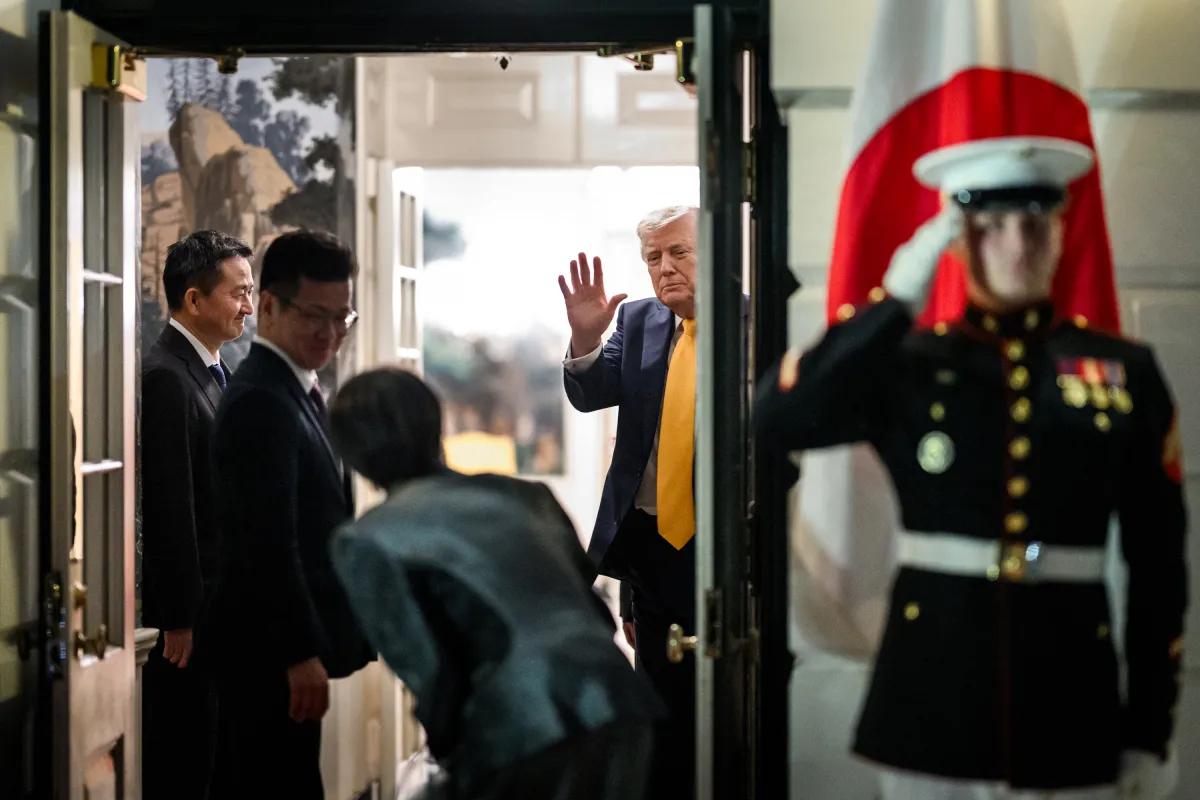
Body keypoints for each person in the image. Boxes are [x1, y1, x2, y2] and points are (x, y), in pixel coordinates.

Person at [756, 136, 1188, 799]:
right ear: (957, 242)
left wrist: (1150, 725)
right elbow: (779, 420)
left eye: (1035, 223)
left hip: (1070, 700)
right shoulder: (909, 363)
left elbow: (1159, 564)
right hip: (930, 695)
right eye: (991, 226)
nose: (1018, 245)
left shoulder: (1123, 371)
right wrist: (895, 301)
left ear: (1060, 233)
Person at [326, 367, 664, 800]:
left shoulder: (368, 539)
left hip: (519, 729)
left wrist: (451, 758)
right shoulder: (525, 495)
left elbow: (430, 670)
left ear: (351, 453)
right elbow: (593, 610)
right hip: (622, 706)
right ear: (434, 425)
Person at [202, 229, 374, 799]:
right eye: (314, 316)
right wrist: (298, 652)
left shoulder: (296, 388)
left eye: (342, 318)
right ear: (270, 307)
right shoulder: (261, 399)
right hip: (267, 657)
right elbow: (265, 542)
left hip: (280, 651)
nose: (330, 333)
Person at [556, 205, 700, 797]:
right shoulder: (640, 319)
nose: (664, 268)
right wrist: (586, 335)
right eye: (652, 258)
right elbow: (592, 392)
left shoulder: (754, 318)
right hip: (652, 549)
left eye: (678, 252)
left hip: (725, 545)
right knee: (661, 713)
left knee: (725, 705)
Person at [141, 230, 253, 800]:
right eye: (239, 293)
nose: (248, 307)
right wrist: (180, 617)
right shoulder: (167, 375)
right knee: (186, 763)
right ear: (193, 299)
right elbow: (170, 502)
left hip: (220, 609)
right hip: (191, 621)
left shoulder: (212, 367)